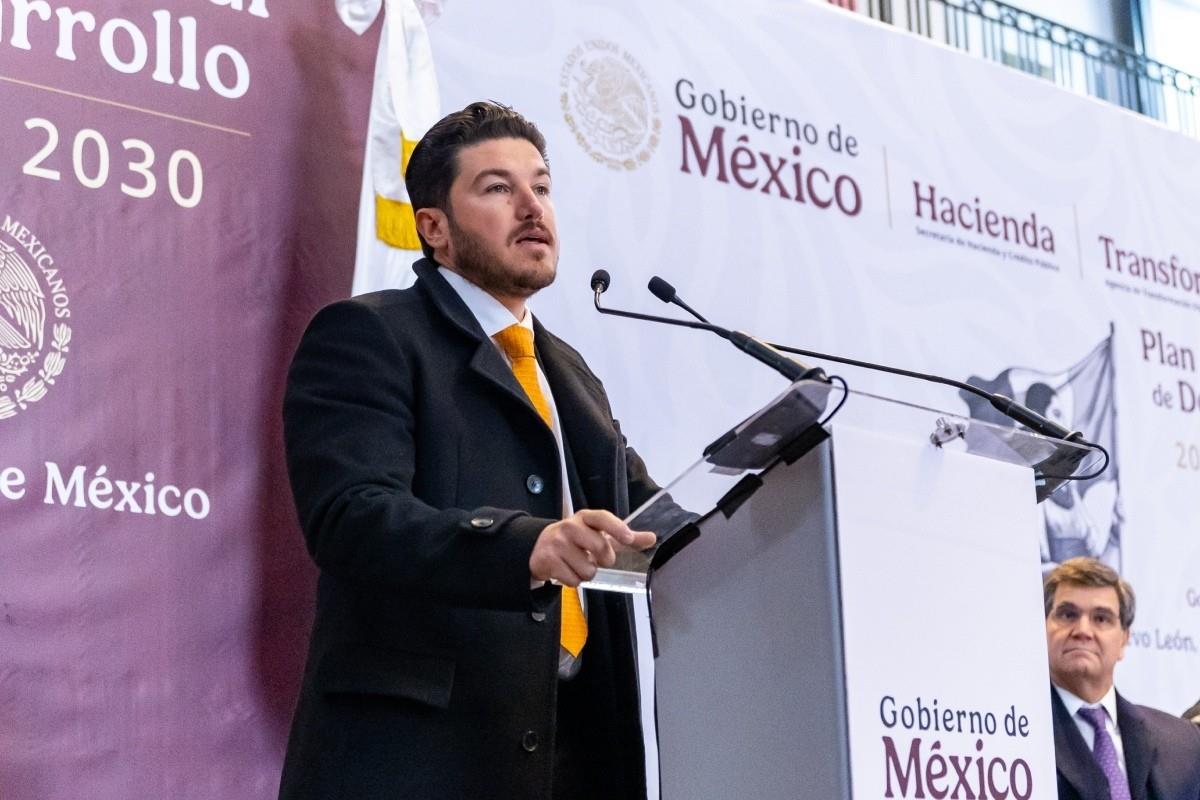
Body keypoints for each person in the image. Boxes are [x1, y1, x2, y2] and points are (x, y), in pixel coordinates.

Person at [276, 101, 659, 800]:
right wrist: (523, 546)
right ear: (435, 229)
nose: (531, 208)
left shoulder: (570, 375)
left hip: (572, 756)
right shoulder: (369, 336)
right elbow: (352, 518)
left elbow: (648, 527)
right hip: (419, 763)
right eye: (497, 188)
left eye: (541, 187)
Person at [1044, 557, 1200, 800]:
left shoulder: (1184, 742)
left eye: (1101, 618)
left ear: (1124, 639)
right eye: (1068, 615)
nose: (1083, 631)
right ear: (1043, 628)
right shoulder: (1018, 734)